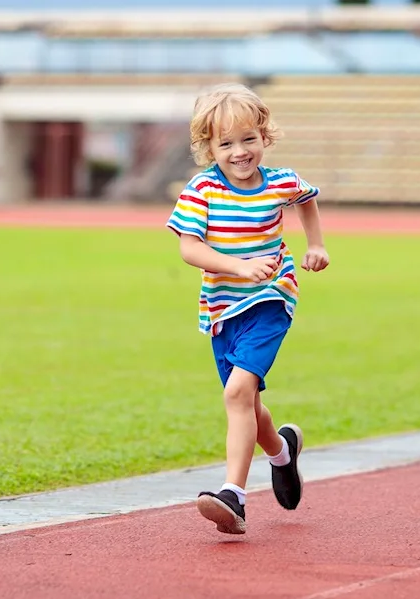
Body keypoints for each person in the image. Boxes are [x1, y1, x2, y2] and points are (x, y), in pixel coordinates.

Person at [165, 82, 330, 535]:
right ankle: (282, 453)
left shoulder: (281, 181)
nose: (240, 152)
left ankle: (233, 496)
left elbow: (307, 198)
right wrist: (237, 266)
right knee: (248, 404)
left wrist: (315, 245)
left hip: (273, 297)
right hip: (222, 308)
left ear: (264, 136)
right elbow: (190, 249)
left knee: (237, 394)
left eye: (249, 139)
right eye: (226, 143)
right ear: (208, 147)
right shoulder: (201, 190)